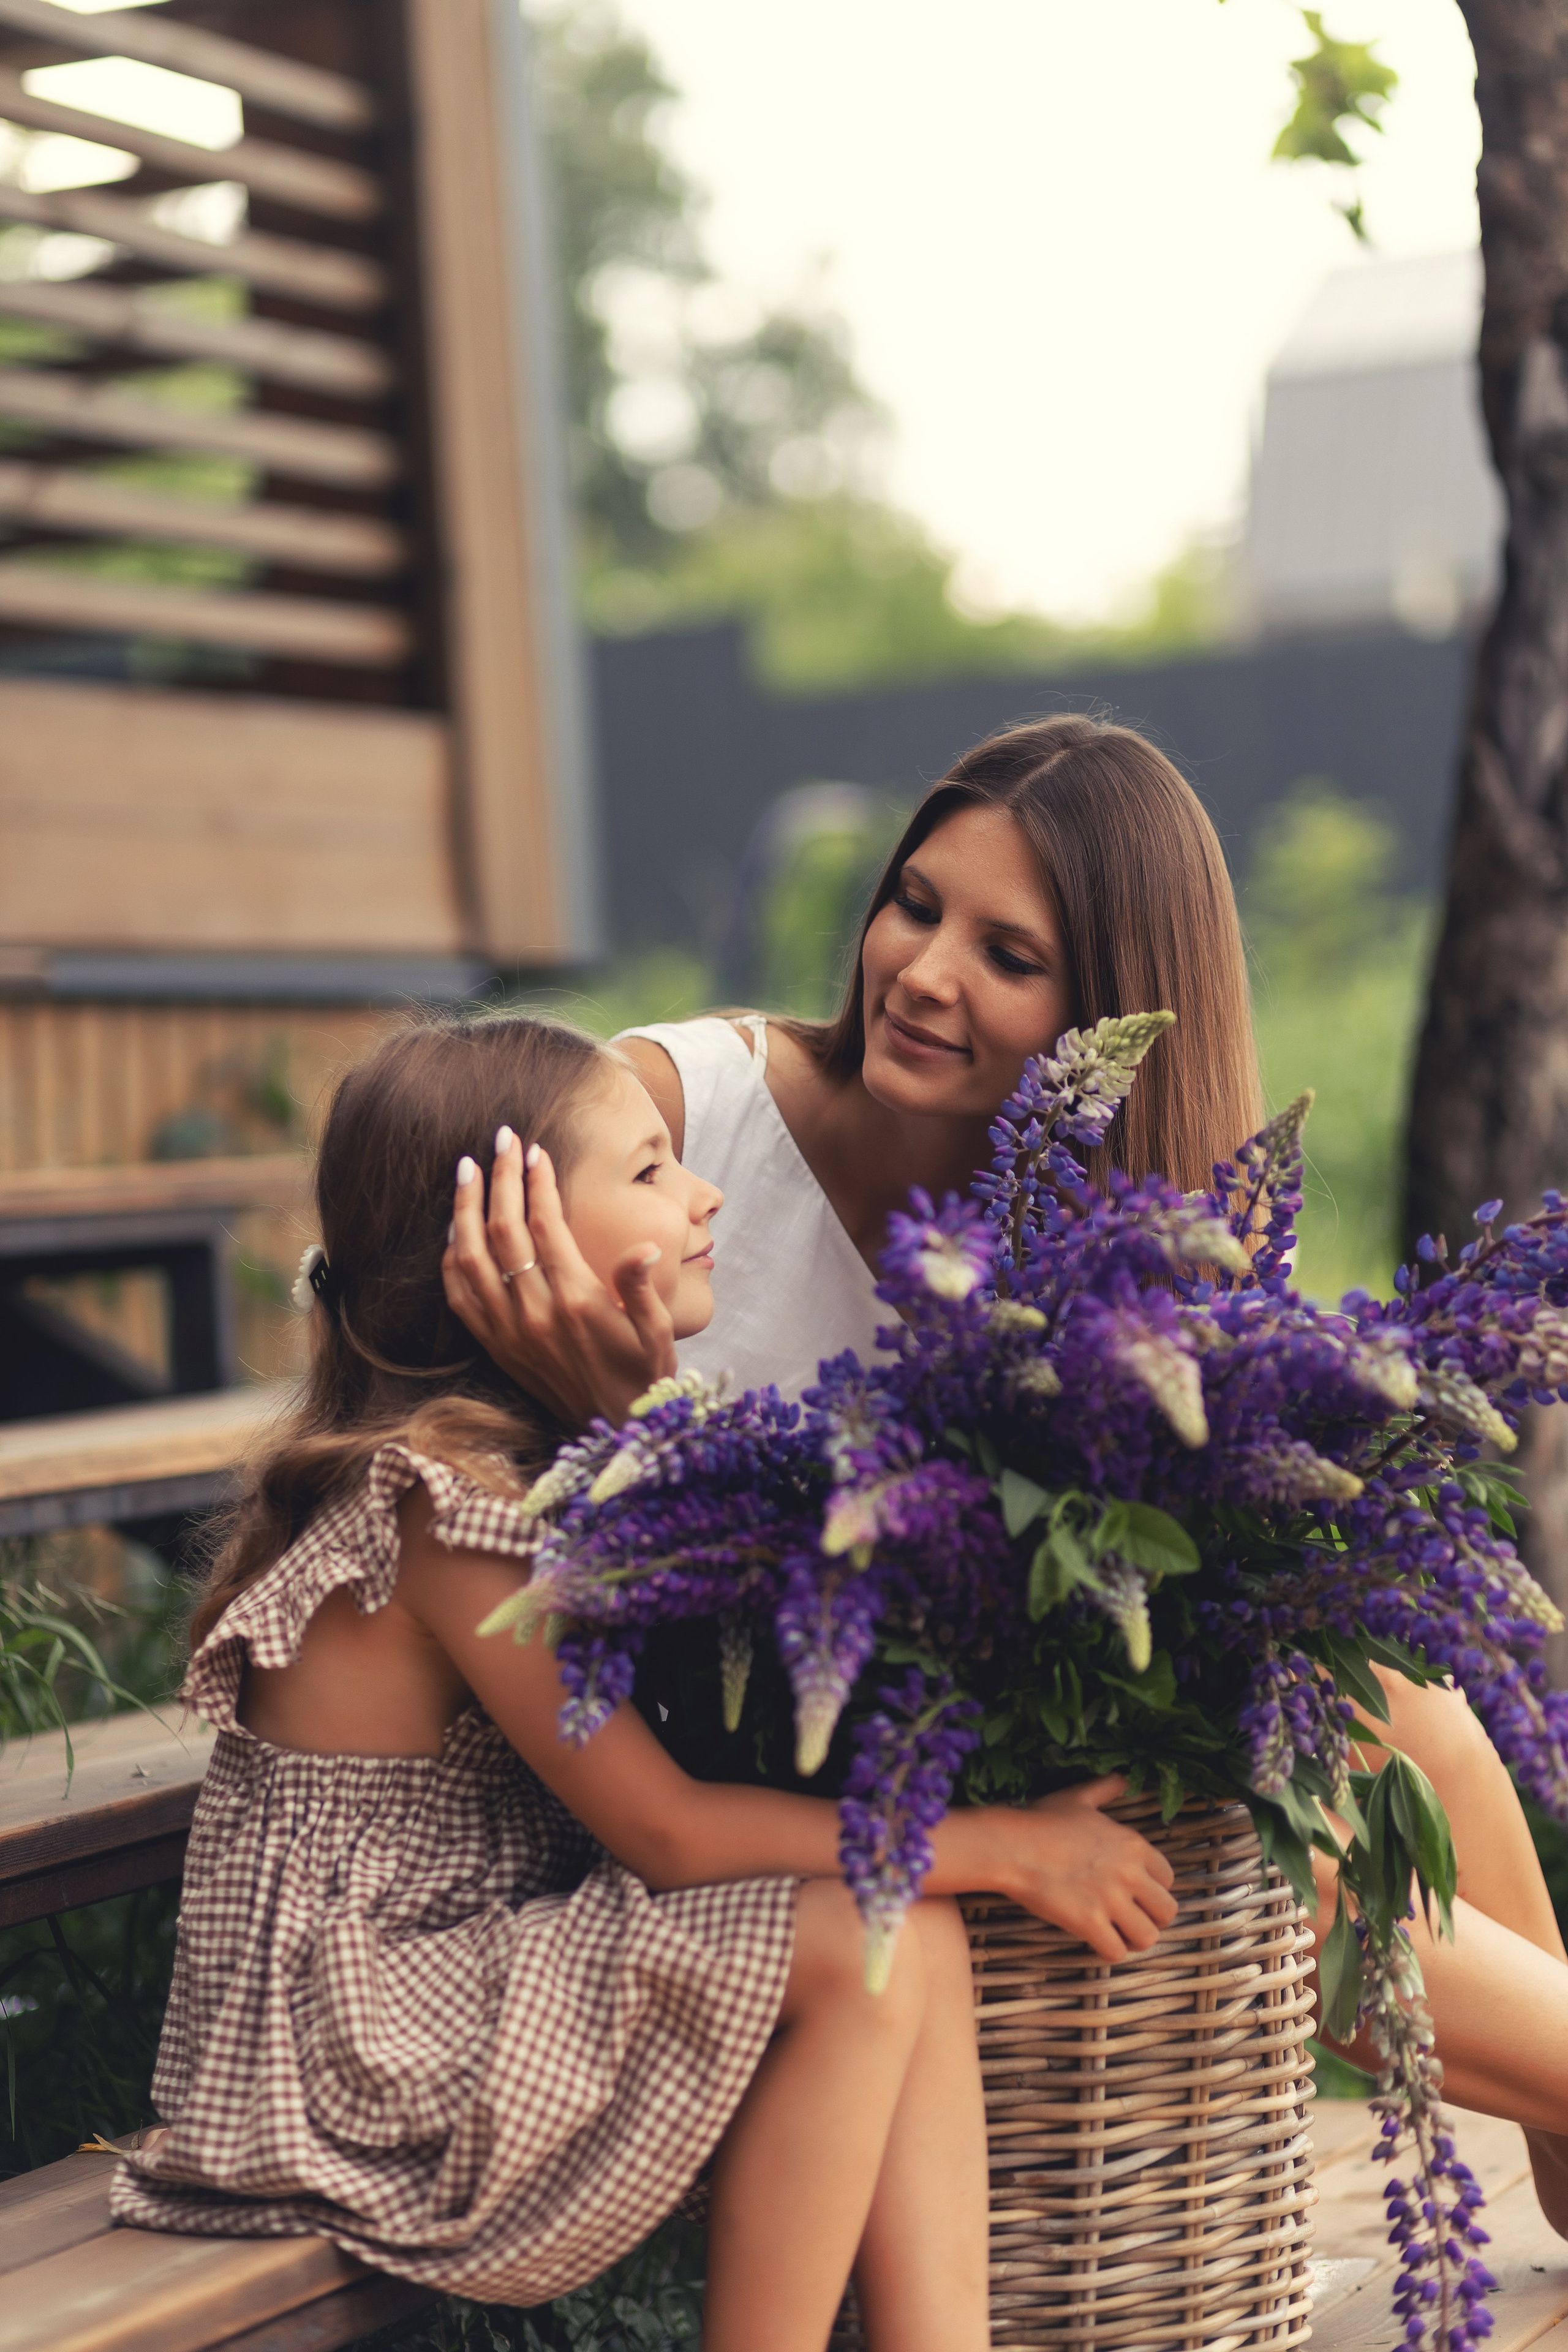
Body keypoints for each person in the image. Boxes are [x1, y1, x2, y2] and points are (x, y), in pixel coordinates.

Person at [444, 714, 1568, 2232]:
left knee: (1392, 1701)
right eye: (912, 905)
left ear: (1109, 1014)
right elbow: (399, 1327)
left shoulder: (1107, 1235)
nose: (921, 973)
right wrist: (597, 1414)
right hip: (727, 1757)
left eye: (1007, 955)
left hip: (949, 1728)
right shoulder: (671, 1110)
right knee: (1242, 1833)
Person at [113, 1008, 1180, 2352]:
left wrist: (633, 1413)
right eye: (649, 1169)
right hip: (348, 2044)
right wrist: (1012, 1847)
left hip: (448, 1967)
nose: (706, 1193)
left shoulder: (513, 1465)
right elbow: (667, 1829)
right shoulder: (440, 1505)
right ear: (508, 1240)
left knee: (904, 1929)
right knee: (864, 1939)